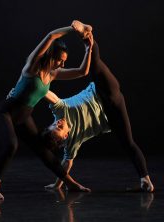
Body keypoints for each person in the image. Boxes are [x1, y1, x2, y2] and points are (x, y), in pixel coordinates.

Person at [41, 21, 155, 192]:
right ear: (62, 140)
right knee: (128, 142)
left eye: (53, 124)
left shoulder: (59, 110)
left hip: (103, 90)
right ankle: (146, 181)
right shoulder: (72, 143)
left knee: (95, 69)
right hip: (113, 112)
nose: (57, 123)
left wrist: (24, 86)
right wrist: (58, 184)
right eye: (58, 129)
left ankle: (85, 35)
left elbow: (42, 91)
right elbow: (67, 163)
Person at [0, 21, 94, 200]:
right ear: (51, 55)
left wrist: (88, 48)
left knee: (43, 151)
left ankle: (70, 183)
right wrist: (74, 29)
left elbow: (82, 72)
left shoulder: (54, 74)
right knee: (11, 145)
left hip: (24, 117)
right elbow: (52, 35)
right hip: (5, 112)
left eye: (64, 61)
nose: (61, 64)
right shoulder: (31, 67)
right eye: (59, 60)